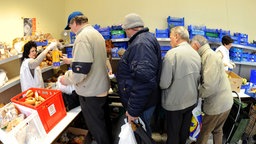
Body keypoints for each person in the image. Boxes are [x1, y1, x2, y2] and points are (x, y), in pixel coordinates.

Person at [59, 14, 112, 144]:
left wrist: (66, 79)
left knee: (97, 129)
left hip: (91, 92)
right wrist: (72, 61)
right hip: (101, 88)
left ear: (75, 22)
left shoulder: (82, 37)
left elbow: (80, 72)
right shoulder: (96, 34)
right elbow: (91, 60)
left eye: (70, 26)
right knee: (103, 124)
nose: (71, 30)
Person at [116, 13, 162, 136]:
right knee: (143, 132)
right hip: (145, 101)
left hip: (142, 104)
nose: (125, 33)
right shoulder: (144, 40)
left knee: (141, 134)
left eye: (125, 30)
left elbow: (144, 81)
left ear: (131, 28)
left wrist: (133, 110)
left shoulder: (141, 44)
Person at [159, 26, 201, 144]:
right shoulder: (196, 54)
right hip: (191, 101)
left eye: (171, 37)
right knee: (183, 133)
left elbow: (164, 83)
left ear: (177, 37)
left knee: (173, 134)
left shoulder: (172, 54)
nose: (170, 39)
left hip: (175, 103)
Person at [190, 35, 233, 144]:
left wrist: (198, 95)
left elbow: (209, 86)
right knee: (217, 130)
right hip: (225, 102)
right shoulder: (208, 55)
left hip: (217, 104)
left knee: (204, 131)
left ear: (195, 45)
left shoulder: (209, 56)